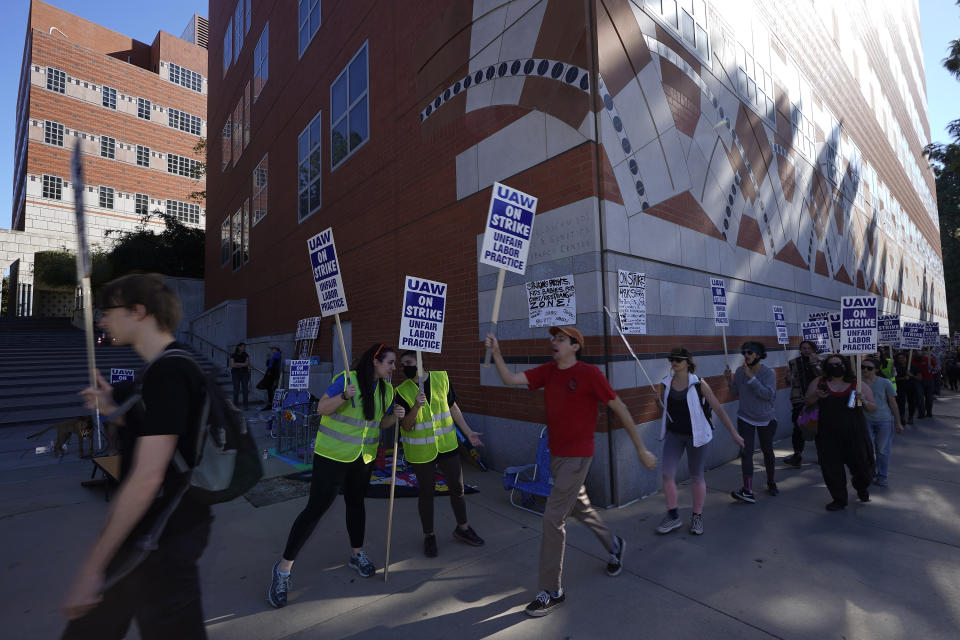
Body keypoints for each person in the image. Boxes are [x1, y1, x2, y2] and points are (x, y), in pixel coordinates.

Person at [62, 274, 212, 639]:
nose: (101, 320)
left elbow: (147, 478)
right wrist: (113, 406)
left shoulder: (170, 371)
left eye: (108, 311)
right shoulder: (163, 369)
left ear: (138, 311)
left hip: (157, 538)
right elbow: (162, 427)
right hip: (158, 535)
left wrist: (92, 567)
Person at [485, 326, 657, 618]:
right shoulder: (548, 372)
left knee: (553, 519)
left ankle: (552, 591)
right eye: (553, 338)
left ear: (575, 346)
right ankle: (615, 545)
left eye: (561, 339)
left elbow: (620, 407)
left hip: (578, 457)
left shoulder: (590, 375)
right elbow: (509, 378)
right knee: (582, 508)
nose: (554, 342)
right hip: (557, 457)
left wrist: (640, 447)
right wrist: (498, 353)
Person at [267, 344, 405, 608]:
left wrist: (396, 417)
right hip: (331, 458)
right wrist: (343, 396)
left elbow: (380, 423)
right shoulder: (346, 379)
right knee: (315, 510)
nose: (393, 368)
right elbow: (322, 409)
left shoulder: (388, 390)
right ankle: (283, 569)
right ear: (375, 361)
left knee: (356, 505)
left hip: (362, 459)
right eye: (389, 362)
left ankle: (357, 554)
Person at [394, 351, 485, 556]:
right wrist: (416, 406)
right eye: (402, 364)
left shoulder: (442, 377)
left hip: (446, 445)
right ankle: (429, 536)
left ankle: (463, 528)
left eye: (409, 362)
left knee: (457, 487)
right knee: (427, 493)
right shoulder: (401, 390)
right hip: (421, 450)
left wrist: (468, 432)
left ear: (419, 362)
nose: (404, 367)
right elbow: (406, 426)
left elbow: (452, 407)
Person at [655, 348, 743, 536]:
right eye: (672, 358)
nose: (674, 362)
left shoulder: (699, 384)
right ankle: (673, 516)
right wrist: (659, 401)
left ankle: (697, 516)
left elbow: (718, 409)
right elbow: (661, 407)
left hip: (697, 437)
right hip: (674, 435)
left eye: (678, 359)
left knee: (697, 475)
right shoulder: (666, 383)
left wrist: (734, 433)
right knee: (667, 474)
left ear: (688, 362)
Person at [805, 354, 877, 511]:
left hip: (855, 434)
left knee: (862, 468)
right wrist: (816, 395)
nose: (835, 367)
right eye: (831, 365)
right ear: (826, 367)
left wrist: (863, 400)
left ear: (845, 365)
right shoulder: (819, 383)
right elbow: (807, 401)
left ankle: (862, 488)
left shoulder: (857, 385)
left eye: (839, 364)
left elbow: (873, 408)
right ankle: (839, 499)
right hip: (827, 435)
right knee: (831, 469)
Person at [725, 342, 779, 502]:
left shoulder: (769, 373)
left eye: (749, 352)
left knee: (767, 450)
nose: (746, 355)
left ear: (758, 355)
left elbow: (768, 395)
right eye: (744, 352)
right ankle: (747, 490)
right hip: (745, 418)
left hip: (765, 419)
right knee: (746, 452)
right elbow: (735, 392)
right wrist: (729, 380)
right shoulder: (740, 371)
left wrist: (751, 378)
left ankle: (771, 481)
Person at [861, 356, 903, 487]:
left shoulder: (885, 383)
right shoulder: (857, 383)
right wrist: (856, 398)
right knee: (866, 449)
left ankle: (882, 476)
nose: (865, 370)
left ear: (876, 370)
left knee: (882, 450)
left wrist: (898, 422)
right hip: (865, 420)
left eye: (869, 368)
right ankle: (869, 473)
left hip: (884, 421)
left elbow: (893, 403)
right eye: (862, 367)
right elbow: (851, 405)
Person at [783, 340, 822, 467]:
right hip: (799, 399)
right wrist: (789, 379)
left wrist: (813, 363)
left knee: (818, 428)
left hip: (817, 399)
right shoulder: (794, 362)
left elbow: (822, 376)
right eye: (803, 348)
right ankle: (797, 455)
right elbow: (788, 381)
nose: (806, 350)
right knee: (798, 427)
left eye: (809, 348)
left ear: (814, 349)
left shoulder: (820, 361)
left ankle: (822, 454)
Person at [892, 351, 921, 425]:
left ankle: (910, 417)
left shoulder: (913, 366)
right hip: (900, 388)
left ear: (906, 358)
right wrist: (903, 378)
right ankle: (901, 417)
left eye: (903, 358)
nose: (901, 359)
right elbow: (894, 378)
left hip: (911, 388)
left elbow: (920, 378)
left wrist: (912, 376)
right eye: (899, 358)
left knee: (911, 402)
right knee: (901, 403)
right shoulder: (895, 367)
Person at [913, 348, 937, 418]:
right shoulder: (912, 361)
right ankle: (921, 413)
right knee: (920, 398)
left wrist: (933, 368)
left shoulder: (929, 359)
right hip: (918, 381)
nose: (917, 352)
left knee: (929, 398)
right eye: (916, 351)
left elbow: (937, 367)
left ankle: (929, 412)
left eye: (919, 350)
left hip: (929, 381)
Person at [230, 342, 251, 409]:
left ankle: (246, 405)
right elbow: (232, 365)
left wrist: (237, 364)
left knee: (245, 389)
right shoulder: (233, 355)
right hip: (235, 373)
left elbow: (247, 364)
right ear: (238, 347)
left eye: (244, 347)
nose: (244, 348)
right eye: (242, 347)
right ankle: (235, 405)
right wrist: (242, 364)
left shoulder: (246, 355)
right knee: (236, 389)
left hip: (245, 373)